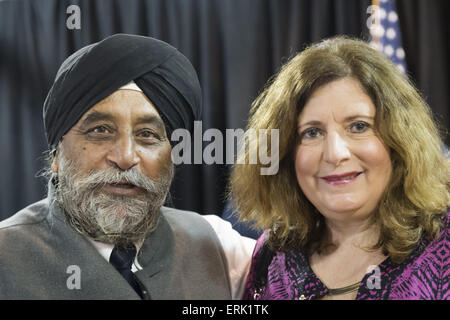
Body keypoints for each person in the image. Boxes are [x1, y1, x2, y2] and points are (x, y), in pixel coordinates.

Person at [0, 34, 255, 299]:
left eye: (147, 134)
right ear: (55, 155)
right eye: (100, 130)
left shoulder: (219, 246)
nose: (125, 157)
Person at [230, 36, 449, 300]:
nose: (335, 154)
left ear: (400, 140)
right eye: (312, 132)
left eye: (358, 126)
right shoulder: (273, 253)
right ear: (286, 153)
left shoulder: (442, 243)